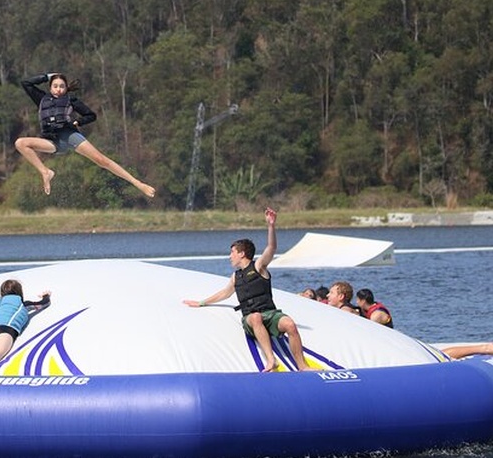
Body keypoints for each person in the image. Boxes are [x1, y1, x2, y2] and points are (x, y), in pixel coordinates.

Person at [183, 207, 311, 372]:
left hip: (270, 313)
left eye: (232, 253)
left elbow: (271, 248)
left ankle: (302, 366)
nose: (230, 256)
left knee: (290, 324)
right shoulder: (236, 277)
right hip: (251, 317)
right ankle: (271, 360)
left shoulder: (258, 266)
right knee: (256, 317)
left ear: (242, 253)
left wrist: (271, 226)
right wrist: (201, 303)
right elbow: (225, 293)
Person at [15, 72, 156, 198]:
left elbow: (91, 115)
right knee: (20, 143)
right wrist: (48, 76)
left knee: (101, 160)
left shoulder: (71, 100)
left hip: (69, 135)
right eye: (55, 86)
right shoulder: (41, 99)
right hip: (52, 141)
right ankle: (45, 172)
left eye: (62, 86)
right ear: (50, 87)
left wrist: (77, 122)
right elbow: (26, 83)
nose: (58, 89)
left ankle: (138, 184)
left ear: (66, 89)